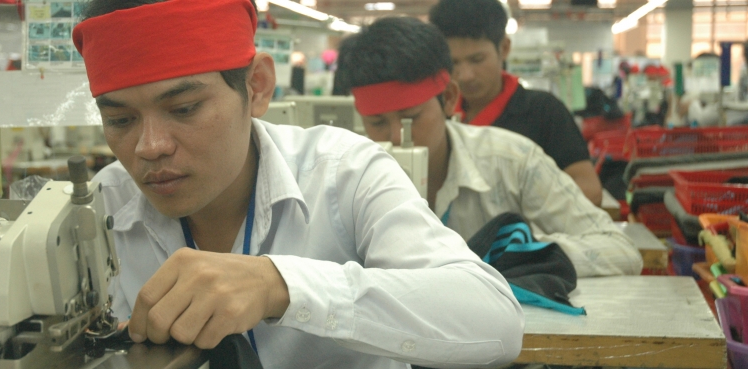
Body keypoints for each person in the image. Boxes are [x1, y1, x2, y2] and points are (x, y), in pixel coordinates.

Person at [72, 0, 523, 368]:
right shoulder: (103, 208)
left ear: (258, 86)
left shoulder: (343, 174)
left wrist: (281, 286)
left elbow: (495, 322)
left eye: (185, 108)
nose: (149, 147)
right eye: (120, 119)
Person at [334, 16, 642, 279]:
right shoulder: (340, 176)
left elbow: (621, 250)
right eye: (376, 123)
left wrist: (522, 255)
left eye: (411, 119)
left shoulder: (513, 162)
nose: (396, 138)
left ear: (450, 99)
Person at [429, 0, 604, 206]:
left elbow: (590, 190)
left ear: (504, 48)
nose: (465, 75)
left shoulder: (544, 112)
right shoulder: (437, 116)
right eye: (454, 63)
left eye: (477, 60)